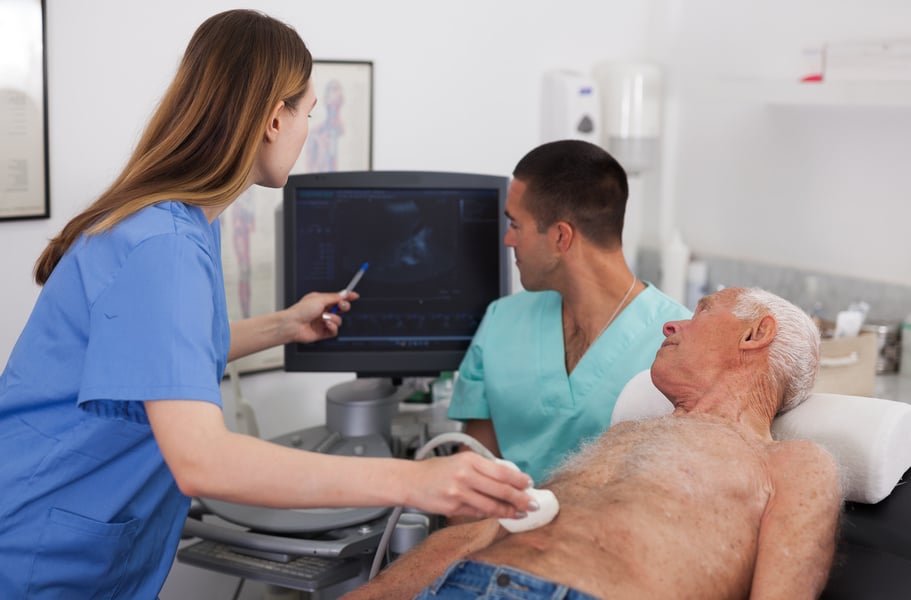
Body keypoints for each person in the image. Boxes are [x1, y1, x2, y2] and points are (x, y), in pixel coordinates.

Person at [0, 10, 535, 597]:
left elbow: (151, 361)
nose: (308, 130)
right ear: (274, 119)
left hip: (71, 532)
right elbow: (202, 460)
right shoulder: (165, 248)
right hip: (41, 556)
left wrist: (284, 325)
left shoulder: (170, 223)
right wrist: (417, 481)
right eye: (309, 113)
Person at [345, 287, 843, 600]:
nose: (672, 324)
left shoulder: (790, 464)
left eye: (702, 311)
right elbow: (483, 534)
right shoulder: (627, 435)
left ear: (756, 333)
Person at [448, 139, 691, 484]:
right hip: (502, 533)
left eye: (515, 225)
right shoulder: (501, 322)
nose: (508, 240)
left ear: (561, 237)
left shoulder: (677, 343)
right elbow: (472, 471)